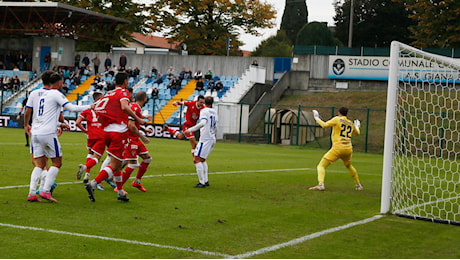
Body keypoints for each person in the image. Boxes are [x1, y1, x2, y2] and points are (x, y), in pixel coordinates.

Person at [25, 71, 94, 202]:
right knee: (57, 162)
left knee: (39, 164)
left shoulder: (37, 94)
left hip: (36, 133)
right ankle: (45, 191)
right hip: (48, 134)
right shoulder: (56, 93)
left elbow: (36, 114)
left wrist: (58, 124)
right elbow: (72, 108)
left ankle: (32, 193)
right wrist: (91, 106)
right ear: (59, 83)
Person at [84, 72, 146, 202]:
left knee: (117, 166)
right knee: (114, 164)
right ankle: (93, 183)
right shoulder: (122, 92)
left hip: (106, 131)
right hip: (118, 132)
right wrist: (138, 119)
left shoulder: (108, 94)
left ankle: (120, 192)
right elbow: (124, 107)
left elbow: (98, 111)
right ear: (125, 82)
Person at [309, 107, 363, 191]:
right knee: (348, 166)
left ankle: (321, 184)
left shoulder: (337, 119)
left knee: (321, 165)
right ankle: (358, 185)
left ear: (339, 113)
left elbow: (324, 125)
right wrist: (357, 126)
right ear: (347, 114)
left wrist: (316, 118)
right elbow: (357, 133)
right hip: (348, 149)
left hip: (338, 148)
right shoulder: (350, 123)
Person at [118, 91, 153, 192]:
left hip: (135, 139)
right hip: (130, 139)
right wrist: (142, 136)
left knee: (147, 159)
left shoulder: (136, 108)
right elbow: (131, 125)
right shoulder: (135, 108)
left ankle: (136, 182)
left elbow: (134, 123)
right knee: (132, 164)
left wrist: (143, 129)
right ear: (145, 98)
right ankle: (118, 187)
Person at [184, 96, 218, 188]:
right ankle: (205, 181)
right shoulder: (214, 112)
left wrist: (189, 130)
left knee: (196, 159)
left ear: (204, 103)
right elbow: (216, 126)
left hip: (205, 139)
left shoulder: (204, 111)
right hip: (211, 138)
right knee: (202, 160)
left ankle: (202, 182)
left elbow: (203, 123)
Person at [75, 91, 106, 183]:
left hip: (91, 136)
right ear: (100, 98)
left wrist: (86, 131)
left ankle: (87, 175)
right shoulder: (103, 109)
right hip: (101, 135)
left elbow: (77, 123)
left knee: (90, 154)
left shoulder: (87, 109)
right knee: (97, 157)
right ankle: (85, 167)